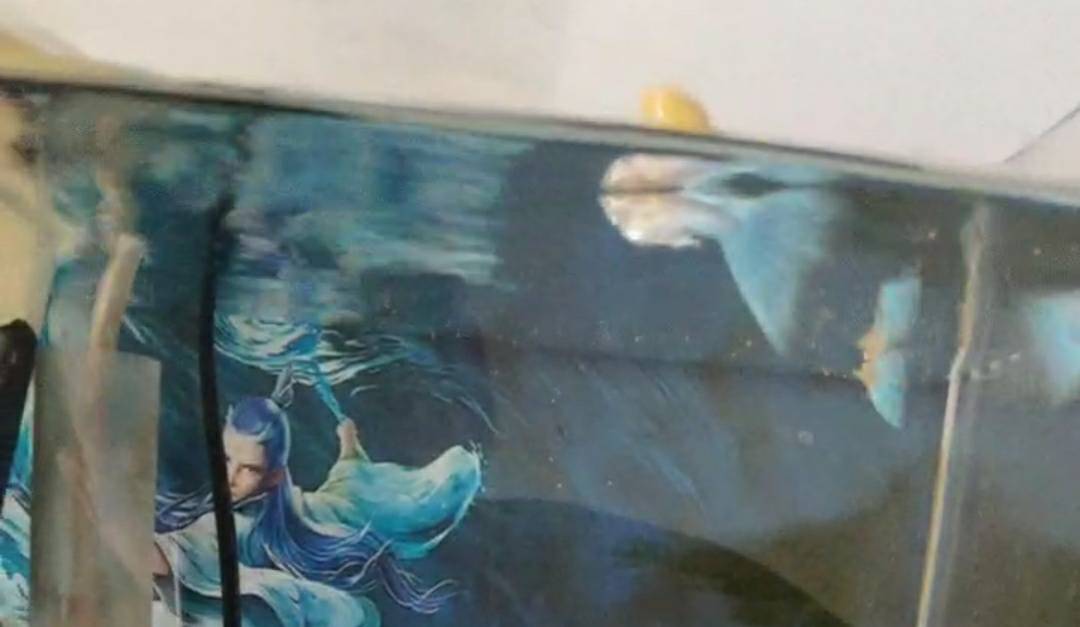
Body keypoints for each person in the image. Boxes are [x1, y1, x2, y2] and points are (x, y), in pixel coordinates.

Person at [152, 373, 483, 626]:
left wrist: (349, 443)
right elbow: (183, 549)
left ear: (274, 476)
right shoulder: (225, 522)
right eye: (227, 459)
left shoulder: (308, 514)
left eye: (249, 468)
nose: (231, 476)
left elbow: (347, 491)